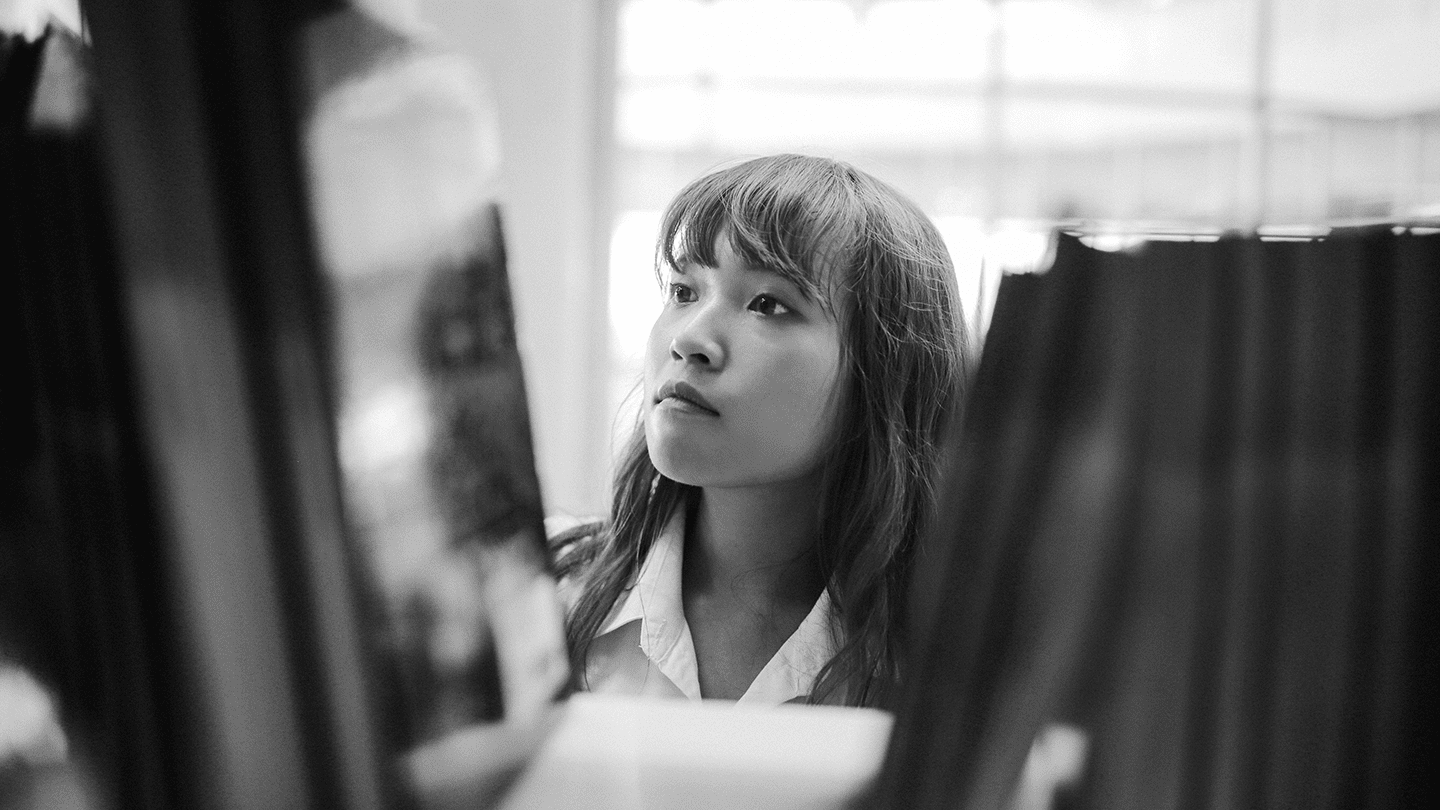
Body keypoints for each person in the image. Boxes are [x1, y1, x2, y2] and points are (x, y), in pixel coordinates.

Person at [551, 154, 969, 709]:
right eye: (683, 291)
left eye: (767, 304)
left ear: (885, 376)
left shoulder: (944, 664)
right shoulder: (544, 597)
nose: (690, 338)